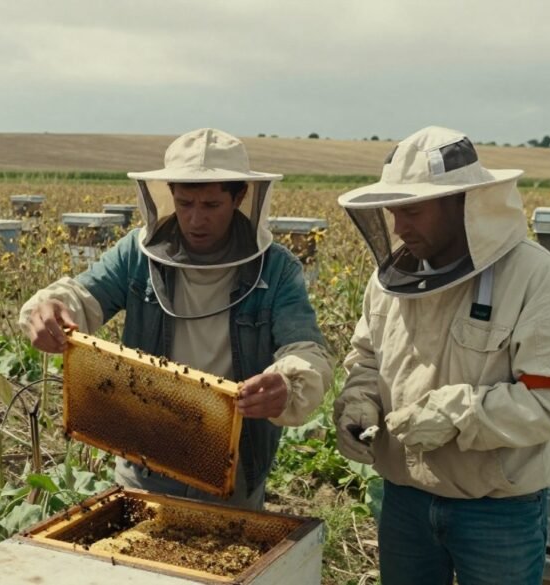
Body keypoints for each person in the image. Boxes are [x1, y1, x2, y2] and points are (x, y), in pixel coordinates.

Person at [19, 128, 333, 510]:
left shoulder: (278, 269)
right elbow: (83, 296)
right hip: (145, 455)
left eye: (211, 205)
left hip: (232, 464)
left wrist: (287, 382)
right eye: (185, 204)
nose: (196, 219)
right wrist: (50, 309)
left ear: (239, 197)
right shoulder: (137, 256)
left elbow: (307, 348)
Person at [333, 126, 550, 584]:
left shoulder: (532, 278)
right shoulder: (387, 281)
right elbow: (367, 357)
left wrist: (462, 414)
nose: (399, 227)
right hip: (405, 499)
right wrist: (359, 402)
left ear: (463, 202)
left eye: (412, 210)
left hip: (498, 511)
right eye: (393, 211)